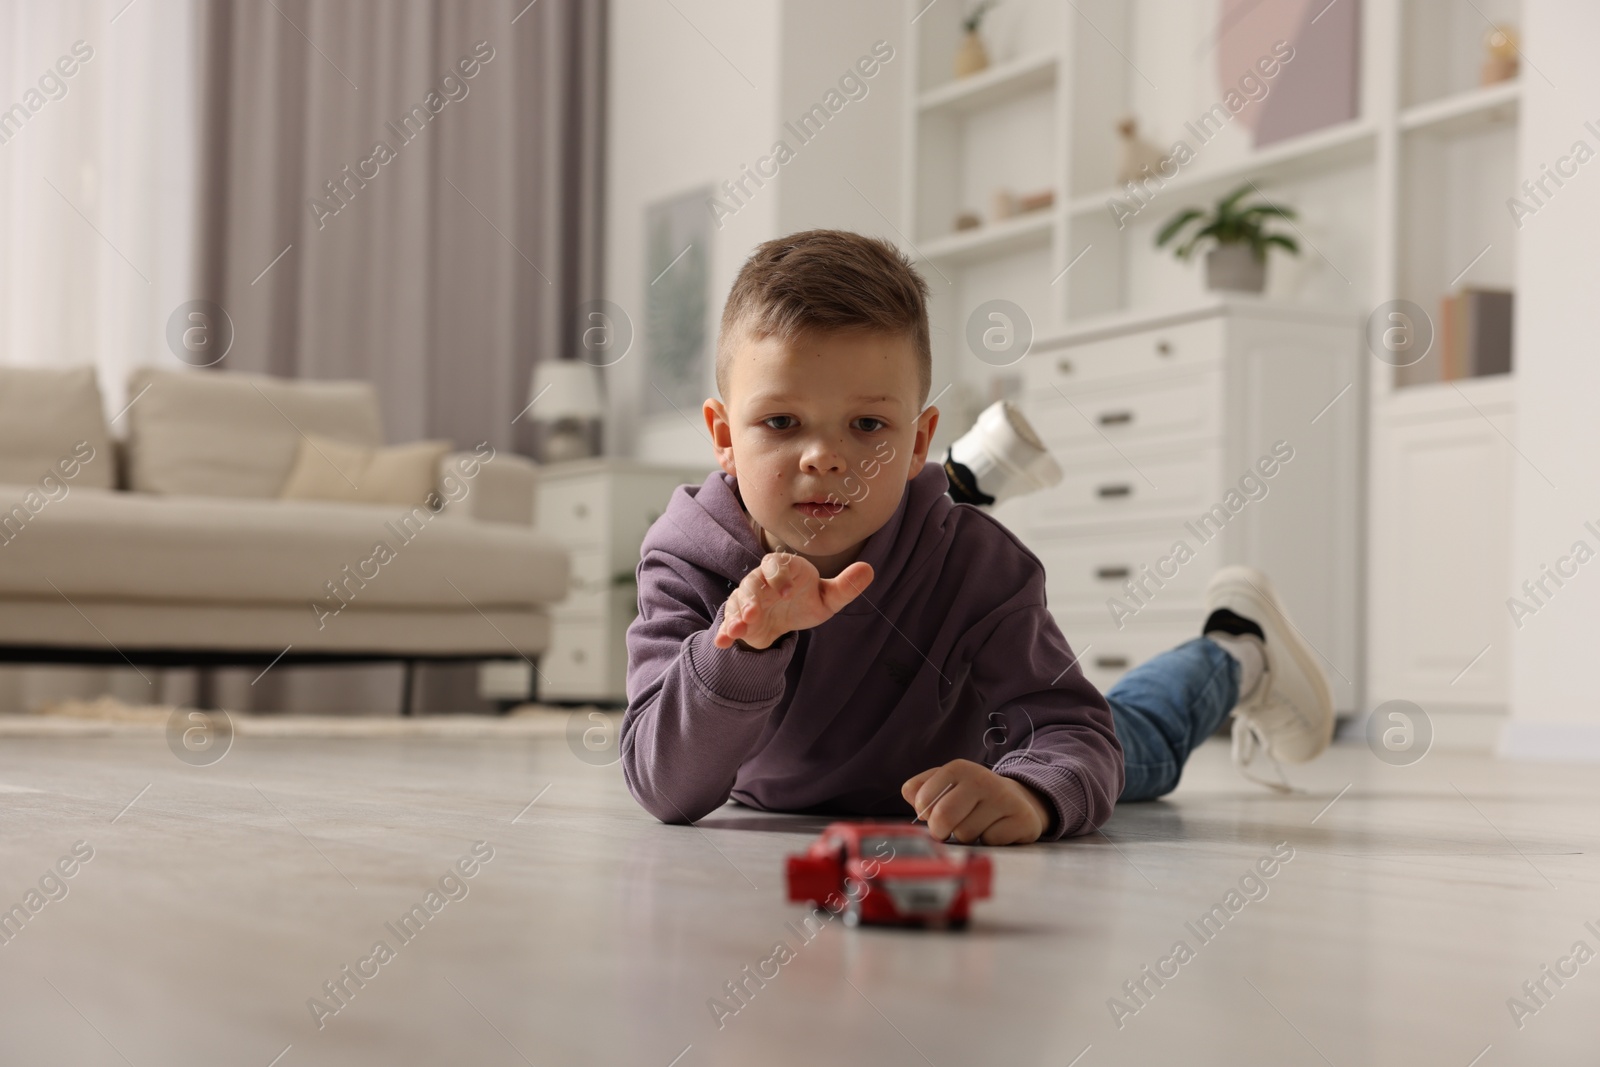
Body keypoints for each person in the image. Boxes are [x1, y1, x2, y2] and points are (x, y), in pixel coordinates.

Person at [619, 230, 1333, 845]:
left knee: (1133, 735)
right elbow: (664, 786)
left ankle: (1237, 649)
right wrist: (745, 644)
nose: (824, 457)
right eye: (781, 422)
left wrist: (1030, 795)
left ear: (919, 440)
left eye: (867, 425)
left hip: (989, 757)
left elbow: (1072, 732)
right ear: (722, 437)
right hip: (787, 788)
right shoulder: (687, 560)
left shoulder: (975, 561)